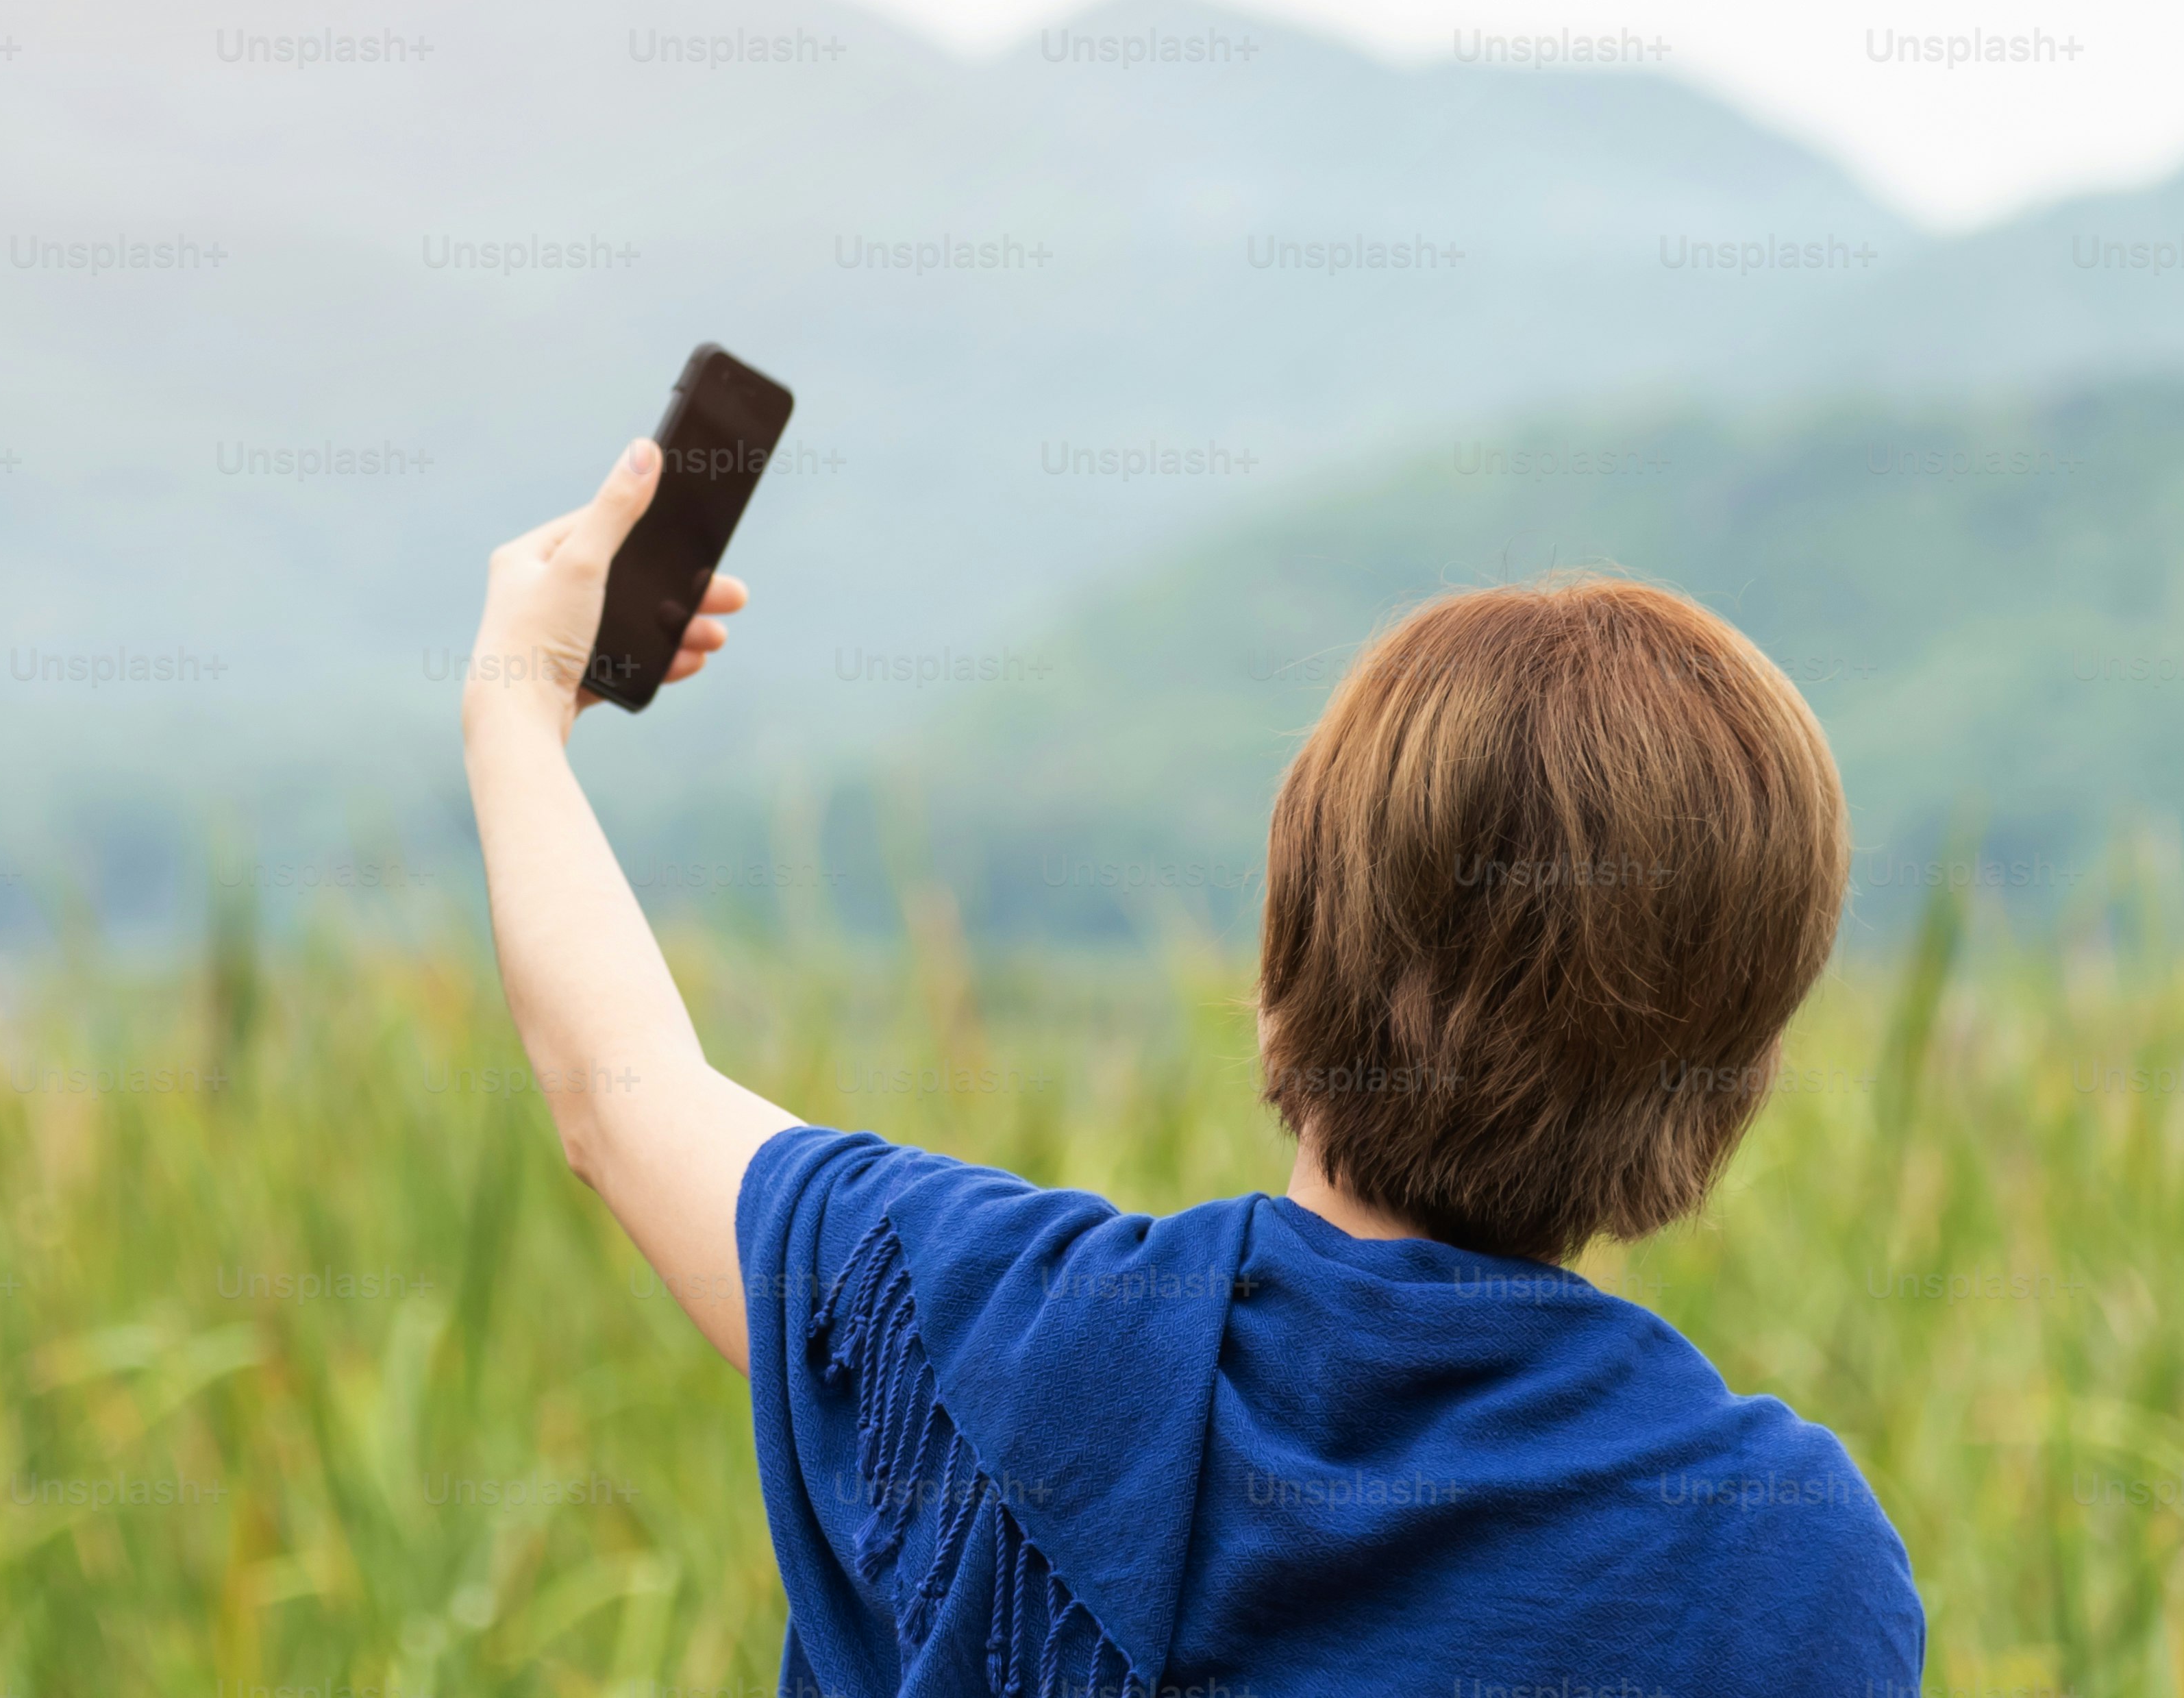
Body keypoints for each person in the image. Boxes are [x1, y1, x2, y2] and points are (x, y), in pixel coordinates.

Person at [461, 437, 1924, 1697]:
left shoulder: (988, 1331)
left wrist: (517, 702)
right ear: (1729, 1078)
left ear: (1288, 961)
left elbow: (616, 1092)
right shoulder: (1788, 1561)